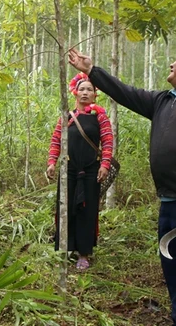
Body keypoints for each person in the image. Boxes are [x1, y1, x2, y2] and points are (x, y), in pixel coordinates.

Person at [68, 44, 176, 326]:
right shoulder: (164, 101)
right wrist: (91, 71)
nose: (172, 63)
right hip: (170, 201)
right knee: (175, 271)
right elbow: (127, 93)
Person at [46, 72, 114, 271]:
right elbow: (56, 140)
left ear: (95, 94)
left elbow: (108, 142)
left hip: (92, 170)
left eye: (89, 90)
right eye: (82, 89)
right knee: (66, 208)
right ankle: (67, 248)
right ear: (75, 92)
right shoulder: (67, 117)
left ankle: (84, 253)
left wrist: (105, 164)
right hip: (68, 169)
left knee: (88, 209)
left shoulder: (100, 117)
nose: (85, 93)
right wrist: (51, 162)